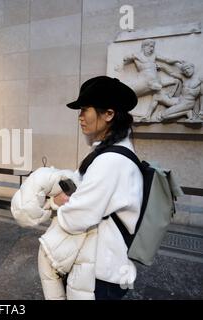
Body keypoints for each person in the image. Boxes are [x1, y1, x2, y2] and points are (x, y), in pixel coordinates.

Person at [52, 76, 143, 300]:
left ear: (109, 114)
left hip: (103, 274)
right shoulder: (110, 152)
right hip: (103, 265)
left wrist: (57, 203)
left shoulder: (111, 160)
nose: (80, 117)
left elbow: (77, 217)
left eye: (85, 109)